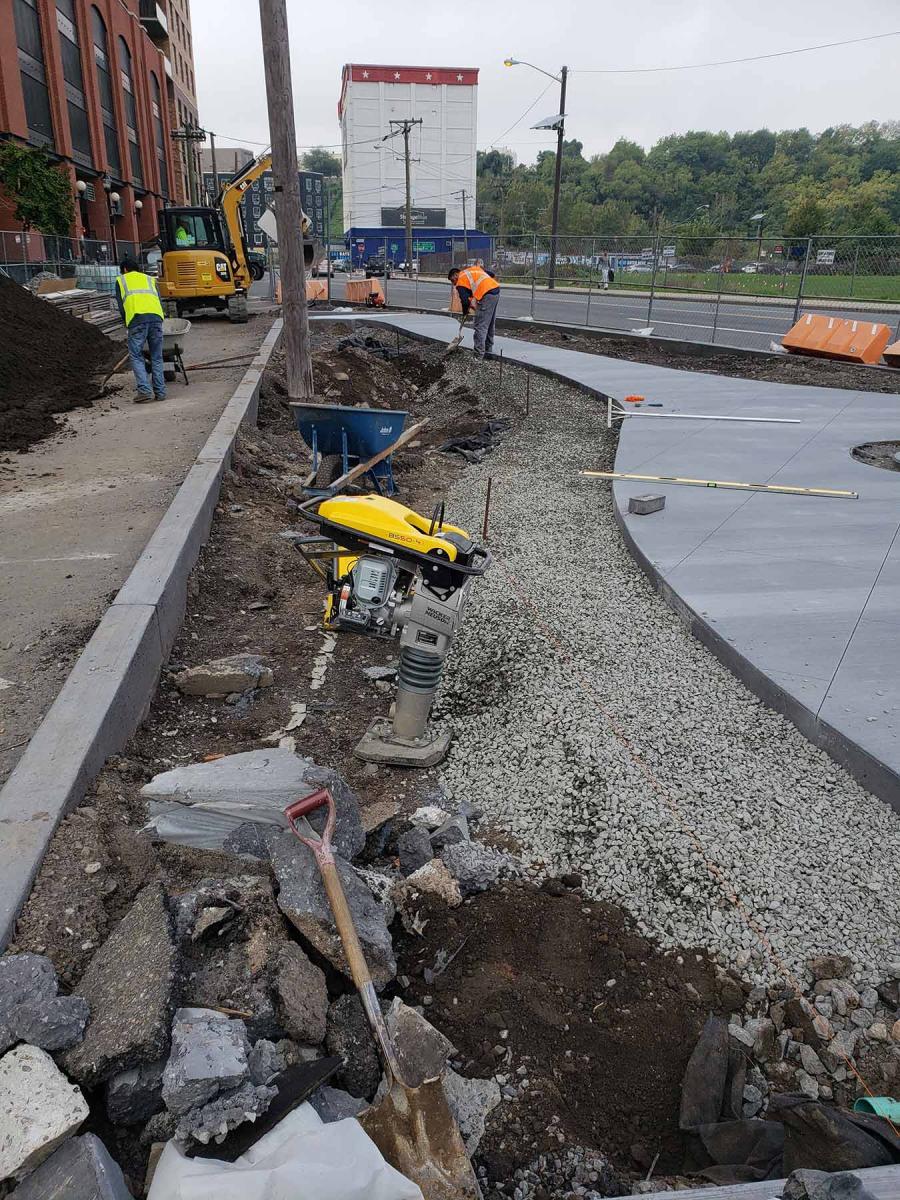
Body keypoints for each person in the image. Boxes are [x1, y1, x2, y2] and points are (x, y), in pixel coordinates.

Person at [115, 254, 166, 404]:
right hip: (156, 319)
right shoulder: (150, 279)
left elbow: (121, 306)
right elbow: (159, 300)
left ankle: (144, 391)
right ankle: (160, 392)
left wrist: (127, 324)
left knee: (136, 356)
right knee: (156, 357)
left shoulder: (121, 280)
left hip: (137, 321)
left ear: (124, 269)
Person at [448, 264, 501, 360]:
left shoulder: (460, 281)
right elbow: (491, 274)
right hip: (495, 291)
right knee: (489, 323)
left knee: (480, 326)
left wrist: (465, 312)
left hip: (486, 295)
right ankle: (488, 349)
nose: (454, 284)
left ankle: (478, 355)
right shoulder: (473, 270)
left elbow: (464, 301)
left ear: (456, 274)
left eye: (453, 281)